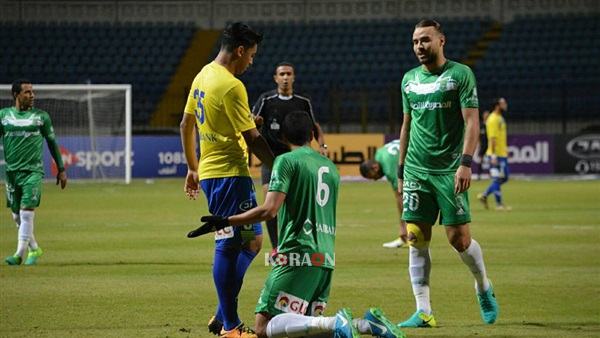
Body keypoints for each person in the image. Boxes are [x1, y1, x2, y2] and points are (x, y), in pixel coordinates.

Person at [188, 111, 405, 338]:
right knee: (305, 328)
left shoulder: (286, 162)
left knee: (263, 327)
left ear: (282, 137)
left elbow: (269, 210)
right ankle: (368, 325)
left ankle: (336, 321)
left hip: (297, 254)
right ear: (312, 134)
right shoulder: (331, 167)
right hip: (326, 259)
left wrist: (226, 220)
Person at [396, 19, 499, 328]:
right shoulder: (409, 80)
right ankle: (424, 311)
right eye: (415, 41)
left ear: (441, 41)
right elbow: (406, 126)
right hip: (416, 169)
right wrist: (401, 171)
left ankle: (483, 285)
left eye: (425, 40)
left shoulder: (460, 75)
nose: (419, 47)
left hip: (449, 170)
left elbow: (471, 122)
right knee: (416, 237)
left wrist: (466, 162)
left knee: (459, 239)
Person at [179, 22, 275, 338]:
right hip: (229, 175)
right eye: (252, 55)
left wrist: (193, 168)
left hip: (212, 172)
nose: (252, 61)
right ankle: (231, 326)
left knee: (251, 242)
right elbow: (252, 137)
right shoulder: (232, 85)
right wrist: (280, 162)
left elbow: (185, 124)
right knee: (228, 243)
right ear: (240, 50)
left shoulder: (203, 74)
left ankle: (223, 314)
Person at [252, 61, 327, 251]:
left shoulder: (303, 101)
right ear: (276, 78)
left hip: (298, 159)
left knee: (297, 203)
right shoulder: (266, 100)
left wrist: (323, 145)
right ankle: (276, 247)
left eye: (288, 74)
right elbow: (251, 123)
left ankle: (298, 242)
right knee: (270, 205)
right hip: (271, 159)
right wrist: (258, 124)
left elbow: (314, 126)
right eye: (282, 74)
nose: (285, 77)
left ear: (293, 77)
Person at [1, 79, 67, 266]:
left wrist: (61, 169)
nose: (32, 95)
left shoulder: (41, 117)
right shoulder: (3, 116)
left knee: (26, 213)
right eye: (27, 92)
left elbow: (52, 143)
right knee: (16, 215)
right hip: (12, 173)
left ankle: (18, 255)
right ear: (16, 95)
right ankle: (34, 248)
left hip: (33, 172)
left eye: (33, 91)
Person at [359, 139, 408, 248]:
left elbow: (400, 196)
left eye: (373, 177)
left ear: (375, 167)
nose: (375, 180)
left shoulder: (389, 167)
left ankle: (409, 235)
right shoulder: (379, 153)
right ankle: (407, 236)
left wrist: (402, 226)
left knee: (408, 197)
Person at [478, 98, 511, 210]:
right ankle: (499, 204)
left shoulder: (500, 118)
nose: (505, 105)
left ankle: (485, 195)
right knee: (497, 178)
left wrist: (505, 149)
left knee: (505, 177)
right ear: (497, 106)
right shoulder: (492, 119)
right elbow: (492, 138)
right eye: (503, 103)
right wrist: (493, 155)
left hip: (502, 153)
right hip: (495, 155)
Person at [476, 110, 490, 179]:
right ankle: (479, 174)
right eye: (485, 115)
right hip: (483, 145)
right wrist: (478, 143)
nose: (486, 116)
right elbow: (478, 135)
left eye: (488, 115)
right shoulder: (481, 125)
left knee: (491, 159)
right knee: (481, 159)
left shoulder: (490, 124)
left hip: (489, 145)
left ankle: (491, 174)